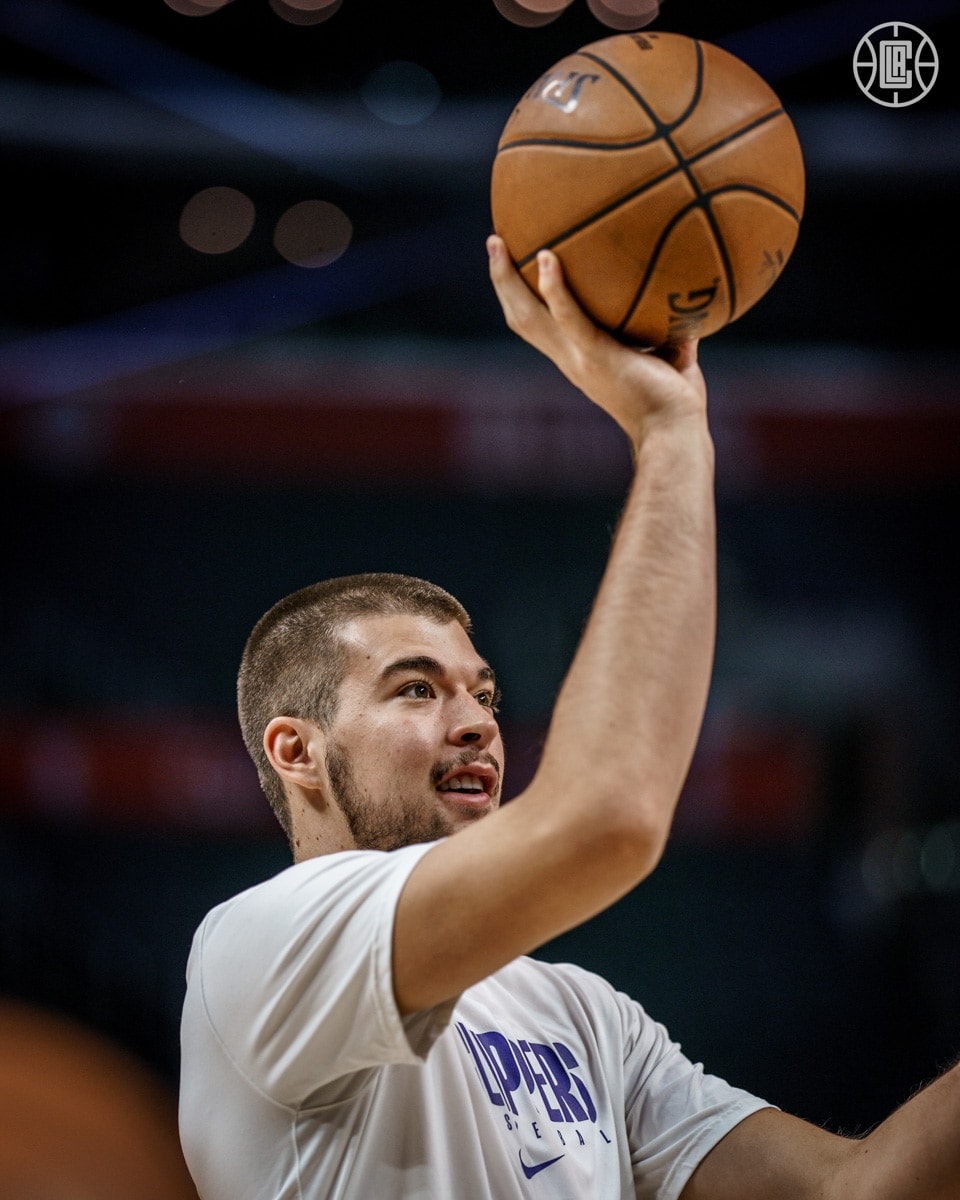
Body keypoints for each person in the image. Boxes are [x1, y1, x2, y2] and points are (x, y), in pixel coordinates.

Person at [178, 237, 960, 1200]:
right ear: (296, 751)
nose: (476, 723)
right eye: (418, 689)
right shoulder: (261, 946)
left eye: (486, 694)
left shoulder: (578, 1013)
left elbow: (858, 1189)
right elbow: (609, 819)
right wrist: (672, 436)